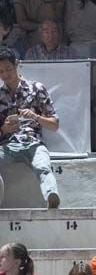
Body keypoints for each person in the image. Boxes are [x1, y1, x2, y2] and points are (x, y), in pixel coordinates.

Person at [0, 48, 59, 209]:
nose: (5, 75)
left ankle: (52, 197)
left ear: (17, 65)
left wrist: (35, 117)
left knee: (43, 166)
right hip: (7, 145)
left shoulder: (37, 89)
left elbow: (55, 124)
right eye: (1, 71)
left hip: (33, 142)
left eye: (8, 69)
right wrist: (4, 129)